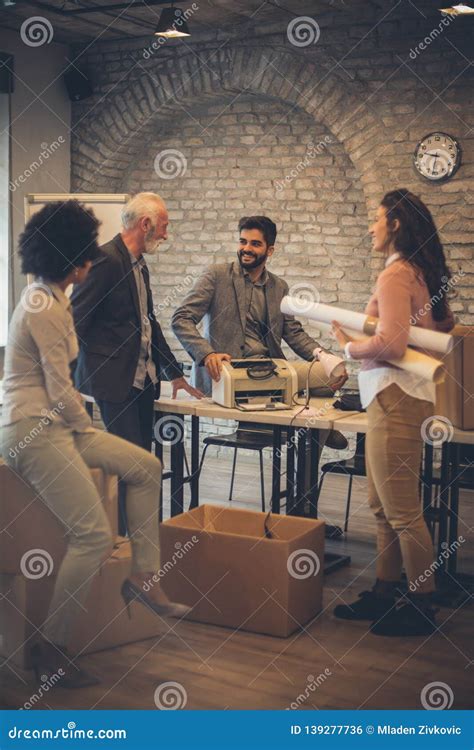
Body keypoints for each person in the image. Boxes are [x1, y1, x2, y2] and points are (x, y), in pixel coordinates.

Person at [0, 201, 189, 689]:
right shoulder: (42, 304)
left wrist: (79, 426)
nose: (90, 263)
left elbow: (62, 387)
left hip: (57, 426)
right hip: (32, 428)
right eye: (84, 255)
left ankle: (145, 577)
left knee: (145, 466)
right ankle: (50, 649)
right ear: (71, 258)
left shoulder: (55, 298)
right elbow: (60, 387)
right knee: (92, 536)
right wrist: (85, 425)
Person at [331, 189, 454, 637]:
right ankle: (385, 592)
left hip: (394, 396)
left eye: (377, 219)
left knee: (401, 510)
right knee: (382, 505)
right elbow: (436, 332)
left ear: (395, 224)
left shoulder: (397, 274)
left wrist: (348, 347)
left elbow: (392, 344)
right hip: (402, 396)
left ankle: (421, 605)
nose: (371, 227)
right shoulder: (421, 272)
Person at [71, 192, 202, 535]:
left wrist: (175, 373)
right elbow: (75, 322)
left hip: (142, 382)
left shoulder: (139, 265)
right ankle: (125, 542)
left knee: (143, 462)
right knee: (132, 466)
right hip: (113, 381)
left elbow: (148, 324)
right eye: (164, 227)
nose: (166, 234)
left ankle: (140, 536)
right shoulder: (105, 260)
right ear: (145, 225)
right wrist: (68, 378)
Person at [171, 215, 347, 451]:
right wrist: (207, 354)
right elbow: (181, 318)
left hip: (270, 370)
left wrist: (327, 357)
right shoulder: (216, 275)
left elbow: (293, 333)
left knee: (333, 373)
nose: (246, 248)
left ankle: (313, 449)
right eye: (243, 241)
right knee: (319, 402)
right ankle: (320, 434)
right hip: (229, 373)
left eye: (255, 244)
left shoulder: (279, 286)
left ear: (270, 250)